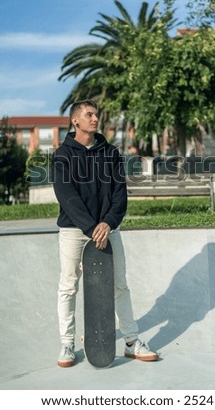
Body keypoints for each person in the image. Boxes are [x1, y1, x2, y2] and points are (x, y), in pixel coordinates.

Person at [52, 99, 159, 367]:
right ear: (75, 120)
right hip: (73, 230)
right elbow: (67, 197)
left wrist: (108, 223)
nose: (95, 118)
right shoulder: (63, 155)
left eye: (96, 114)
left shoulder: (109, 152)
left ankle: (132, 342)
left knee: (119, 285)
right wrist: (91, 228)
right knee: (68, 285)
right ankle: (67, 344)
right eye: (89, 114)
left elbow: (119, 194)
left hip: (108, 229)